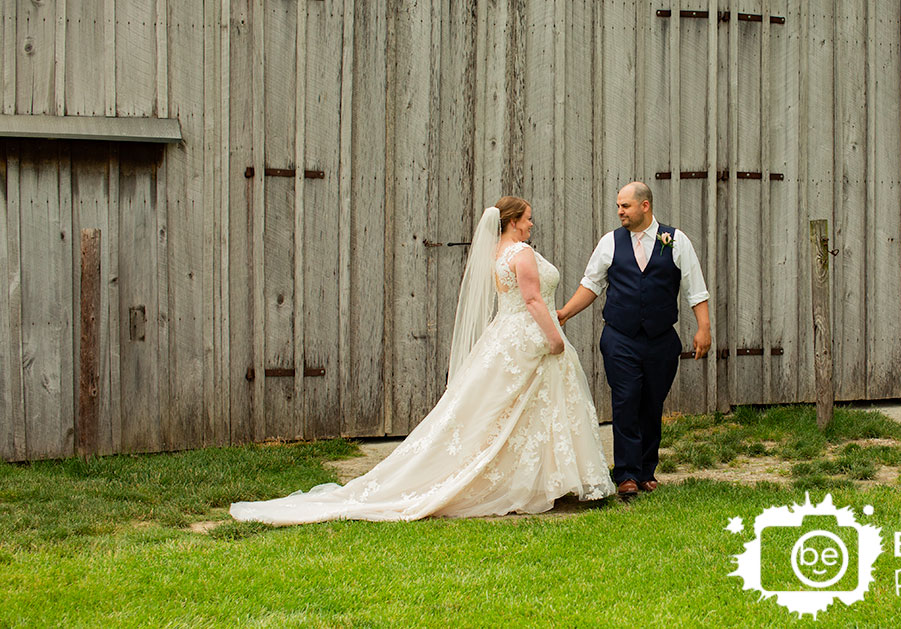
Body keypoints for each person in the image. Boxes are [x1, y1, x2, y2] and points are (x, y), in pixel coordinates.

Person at [230, 197, 615, 524]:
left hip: (508, 337)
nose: (532, 224)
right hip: (530, 336)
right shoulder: (522, 253)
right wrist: (554, 338)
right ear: (513, 222)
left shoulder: (498, 254)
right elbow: (532, 300)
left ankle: (538, 479)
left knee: (514, 411)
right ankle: (532, 481)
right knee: (526, 410)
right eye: (527, 218)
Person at [557, 182, 711, 498]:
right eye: (618, 206)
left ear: (645, 206)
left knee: (652, 402)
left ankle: (645, 471)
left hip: (661, 339)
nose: (619, 212)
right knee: (626, 399)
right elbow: (592, 283)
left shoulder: (675, 240)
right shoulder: (610, 242)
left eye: (625, 206)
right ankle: (625, 474)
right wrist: (564, 313)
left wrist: (703, 328)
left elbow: (695, 287)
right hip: (620, 337)